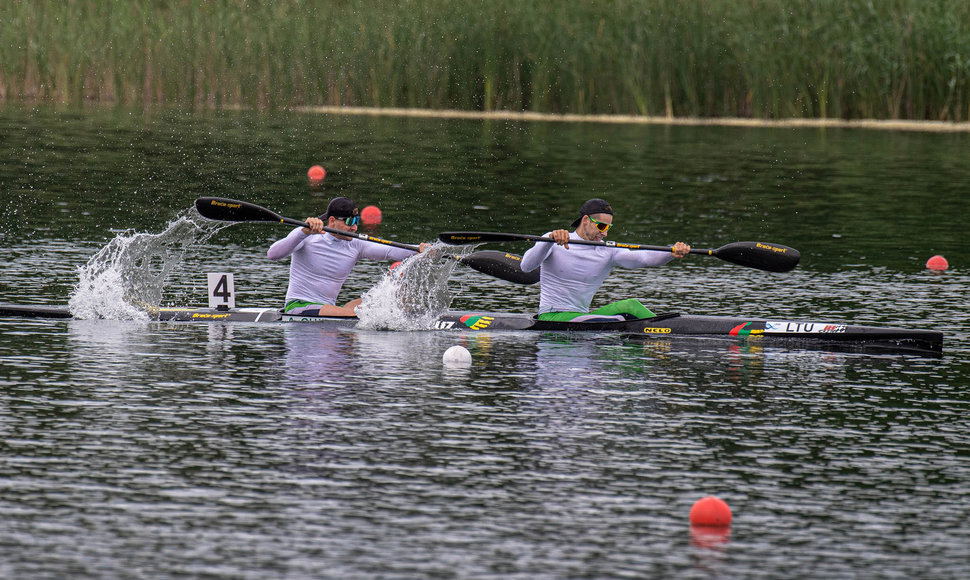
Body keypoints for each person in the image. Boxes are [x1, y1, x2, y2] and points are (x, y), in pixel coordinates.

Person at [519, 198, 690, 322]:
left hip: (581, 316)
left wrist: (671, 252)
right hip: (553, 316)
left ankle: (664, 332)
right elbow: (526, 266)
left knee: (632, 306)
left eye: (608, 228)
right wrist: (548, 240)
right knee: (617, 321)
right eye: (602, 226)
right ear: (586, 220)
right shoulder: (554, 241)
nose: (605, 233)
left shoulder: (608, 252)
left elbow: (644, 257)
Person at [267, 196, 425, 316]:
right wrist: (303, 232)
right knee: (359, 316)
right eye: (349, 221)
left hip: (328, 309)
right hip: (298, 306)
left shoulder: (355, 244)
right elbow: (273, 255)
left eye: (357, 221)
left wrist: (420, 250)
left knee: (387, 301)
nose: (354, 227)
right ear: (332, 221)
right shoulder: (308, 235)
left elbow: (390, 250)